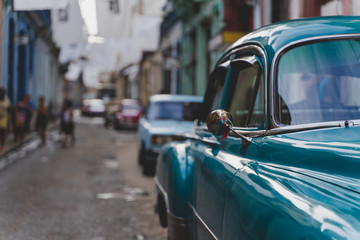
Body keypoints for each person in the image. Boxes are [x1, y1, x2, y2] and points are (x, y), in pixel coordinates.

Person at [0, 88, 11, 152]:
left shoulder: (7, 100)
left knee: (3, 131)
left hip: (3, 117)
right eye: (1, 93)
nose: (2, 94)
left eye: (3, 93)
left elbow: (9, 108)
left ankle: (2, 145)